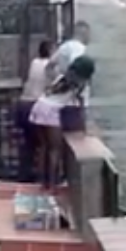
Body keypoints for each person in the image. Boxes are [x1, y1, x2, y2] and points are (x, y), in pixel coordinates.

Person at [0, 41, 55, 187]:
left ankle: (25, 174)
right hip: (35, 105)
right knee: (44, 143)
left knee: (28, 143)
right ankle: (44, 177)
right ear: (51, 51)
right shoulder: (49, 66)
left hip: (23, 105)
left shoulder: (34, 62)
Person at [28, 56, 95, 188]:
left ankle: (44, 182)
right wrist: (85, 130)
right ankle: (53, 184)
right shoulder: (82, 85)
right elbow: (80, 110)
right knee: (55, 150)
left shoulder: (62, 78)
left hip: (39, 106)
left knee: (44, 147)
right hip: (51, 112)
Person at [49, 21, 91, 103]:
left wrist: (57, 80)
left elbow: (49, 66)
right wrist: (76, 92)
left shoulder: (64, 46)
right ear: (84, 34)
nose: (89, 38)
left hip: (61, 99)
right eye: (89, 34)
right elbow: (76, 69)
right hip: (74, 100)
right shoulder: (79, 48)